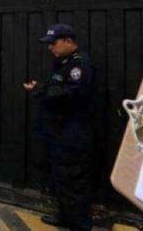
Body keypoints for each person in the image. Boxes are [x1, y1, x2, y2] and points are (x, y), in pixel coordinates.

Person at [24, 24, 95, 231]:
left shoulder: (79, 66)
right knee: (61, 179)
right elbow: (56, 86)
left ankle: (81, 225)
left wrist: (39, 91)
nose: (50, 48)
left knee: (74, 181)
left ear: (68, 41)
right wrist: (42, 88)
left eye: (53, 43)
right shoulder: (63, 64)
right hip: (60, 133)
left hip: (73, 134)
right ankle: (66, 217)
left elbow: (70, 93)